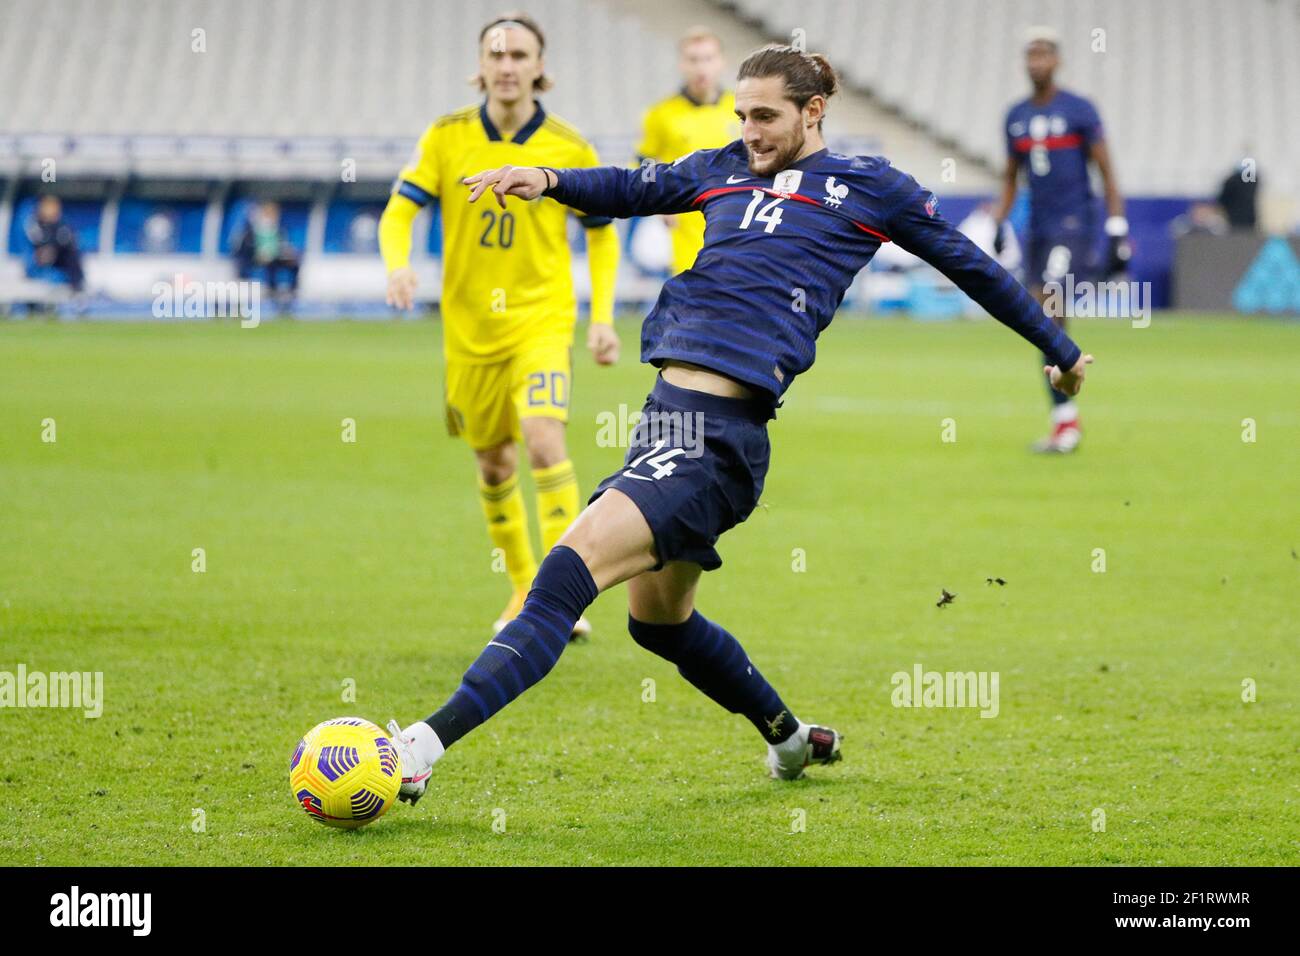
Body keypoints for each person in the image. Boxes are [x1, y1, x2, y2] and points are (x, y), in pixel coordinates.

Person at [385, 44, 1092, 800]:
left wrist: (1059, 348)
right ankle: (791, 739)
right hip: (667, 422)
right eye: (741, 115)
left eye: (766, 116)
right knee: (657, 625)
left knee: (560, 577)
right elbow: (631, 186)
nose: (749, 132)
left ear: (812, 112)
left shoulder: (870, 189)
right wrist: (551, 179)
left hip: (715, 437)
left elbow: (970, 265)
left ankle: (420, 748)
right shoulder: (722, 167)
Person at [379, 12, 621, 639]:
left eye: (520, 54)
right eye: (497, 53)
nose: (508, 65)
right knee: (493, 463)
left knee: (544, 438)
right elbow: (398, 213)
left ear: (540, 67)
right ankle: (521, 589)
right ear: (480, 65)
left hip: (541, 321)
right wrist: (399, 267)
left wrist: (600, 318)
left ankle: (562, 596)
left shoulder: (568, 147)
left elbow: (601, 235)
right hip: (468, 334)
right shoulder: (445, 136)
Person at [992, 27, 1124, 454]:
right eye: (1031, 54)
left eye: (1044, 53)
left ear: (1057, 61)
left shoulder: (1080, 110)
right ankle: (1064, 418)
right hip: (1037, 228)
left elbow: (1106, 172)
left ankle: (1066, 418)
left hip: (1073, 223)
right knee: (1042, 321)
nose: (1037, 61)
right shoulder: (1015, 116)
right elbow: (1012, 177)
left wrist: (1117, 228)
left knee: (1050, 307)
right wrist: (999, 221)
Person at [636, 26, 738, 277]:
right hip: (686, 228)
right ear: (682, 64)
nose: (701, 67)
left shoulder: (741, 109)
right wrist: (657, 204)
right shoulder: (661, 114)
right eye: (693, 60)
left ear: (721, 62)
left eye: (708, 58)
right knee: (695, 305)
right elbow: (643, 162)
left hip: (738, 225)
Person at [233, 201, 300, 306]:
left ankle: (293, 290)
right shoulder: (254, 230)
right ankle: (272, 290)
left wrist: (288, 253)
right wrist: (258, 253)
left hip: (276, 256)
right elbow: (247, 248)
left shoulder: (278, 230)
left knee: (294, 264)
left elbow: (283, 245)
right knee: (270, 265)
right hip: (257, 259)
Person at [24, 195, 86, 293]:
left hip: (59, 255)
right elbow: (37, 240)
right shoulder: (34, 223)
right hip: (41, 256)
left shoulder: (62, 224)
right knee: (47, 253)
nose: (53, 211)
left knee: (72, 254)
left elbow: (69, 239)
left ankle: (77, 284)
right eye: (49, 208)